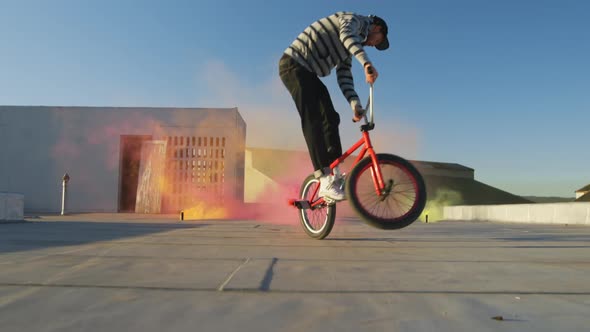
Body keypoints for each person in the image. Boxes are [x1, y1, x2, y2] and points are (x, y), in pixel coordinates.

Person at [279, 12, 389, 202]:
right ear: (377, 28)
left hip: (308, 72)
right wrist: (366, 63)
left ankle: (334, 172)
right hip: (294, 65)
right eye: (377, 41)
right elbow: (347, 36)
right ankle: (323, 179)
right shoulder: (354, 19)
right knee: (313, 118)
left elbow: (344, 75)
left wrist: (355, 104)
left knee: (331, 117)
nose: (373, 45)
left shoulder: (351, 46)